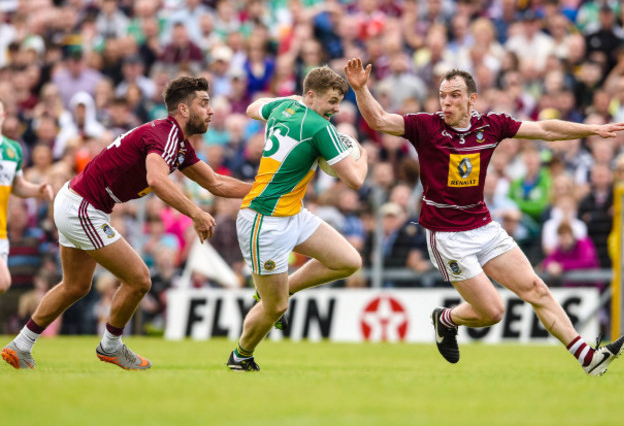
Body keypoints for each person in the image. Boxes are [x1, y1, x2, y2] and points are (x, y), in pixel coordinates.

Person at [344, 58, 624, 376]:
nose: (447, 102)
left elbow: (546, 130)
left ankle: (587, 359)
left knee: (536, 288)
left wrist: (592, 129)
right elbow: (381, 120)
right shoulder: (426, 126)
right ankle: (446, 319)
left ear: (472, 99)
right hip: (447, 236)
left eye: (454, 95)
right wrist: (360, 89)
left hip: (483, 226)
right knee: (493, 311)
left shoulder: (491, 126)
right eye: (443, 95)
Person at [2, 76, 251, 370]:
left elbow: (217, 183)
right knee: (140, 279)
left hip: (76, 201)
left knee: (75, 285)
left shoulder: (177, 142)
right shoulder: (166, 134)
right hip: (83, 207)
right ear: (183, 109)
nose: (210, 111)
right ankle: (110, 346)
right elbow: (156, 179)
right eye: (204, 103)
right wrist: (196, 213)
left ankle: (21, 345)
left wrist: (266, 188)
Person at [227, 65, 368, 371]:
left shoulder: (284, 105)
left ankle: (287, 286)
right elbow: (355, 181)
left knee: (349, 262)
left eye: (339, 101)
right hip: (263, 220)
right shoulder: (320, 127)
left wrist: (289, 100)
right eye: (331, 101)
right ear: (311, 95)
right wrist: (363, 155)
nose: (336, 109)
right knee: (275, 307)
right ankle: (241, 355)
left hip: (292, 212)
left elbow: (253, 108)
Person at [0, 99, 54, 298]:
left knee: (3, 285)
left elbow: (17, 186)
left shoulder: (12, 150)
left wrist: (38, 190)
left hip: (2, 232)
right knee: (3, 280)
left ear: (3, 117)